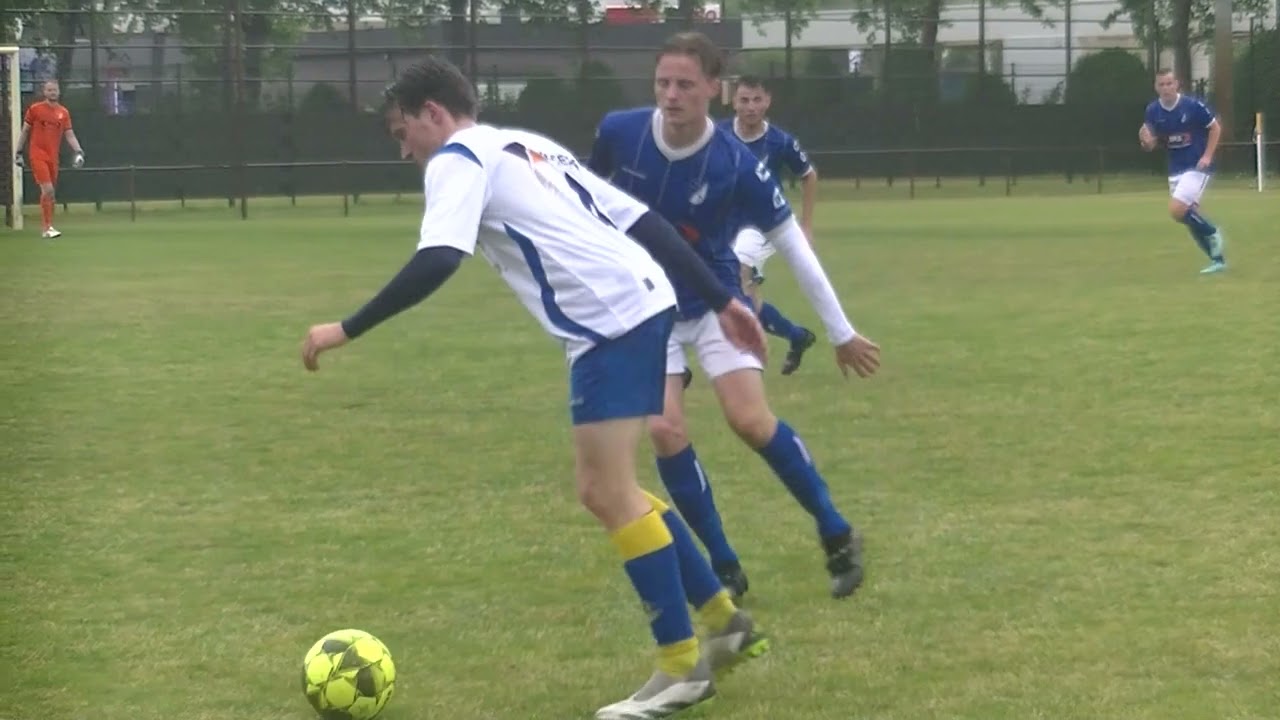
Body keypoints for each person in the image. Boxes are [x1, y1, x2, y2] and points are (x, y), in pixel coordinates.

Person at [299, 57, 768, 720]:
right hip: (638, 303)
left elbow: (439, 256)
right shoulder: (528, 146)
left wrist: (345, 329)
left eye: (403, 130)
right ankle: (725, 621)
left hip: (610, 320)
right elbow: (643, 223)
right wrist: (721, 299)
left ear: (434, 113)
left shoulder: (458, 156)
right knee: (616, 488)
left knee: (605, 490)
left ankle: (680, 668)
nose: (404, 148)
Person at [588, 32, 881, 601]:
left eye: (685, 85)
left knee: (749, 420)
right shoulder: (619, 133)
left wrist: (841, 332)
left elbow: (793, 245)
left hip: (717, 302)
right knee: (664, 428)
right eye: (662, 83)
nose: (671, 96)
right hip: (646, 308)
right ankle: (724, 566)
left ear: (713, 90)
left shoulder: (736, 165)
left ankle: (836, 531)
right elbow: (583, 202)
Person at [719, 75, 819, 376]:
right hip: (725, 225)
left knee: (738, 276)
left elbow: (809, 175)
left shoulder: (780, 141)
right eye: (744, 100)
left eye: (757, 100)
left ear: (768, 101)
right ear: (734, 102)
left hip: (763, 224)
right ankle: (796, 336)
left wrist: (806, 225)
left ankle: (746, 358)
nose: (750, 107)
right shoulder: (718, 134)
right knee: (742, 294)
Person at [1139, 69, 1227, 275]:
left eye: (1170, 83)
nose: (1166, 88)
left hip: (1197, 167)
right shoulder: (1153, 111)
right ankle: (1218, 261)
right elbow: (1150, 144)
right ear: (1156, 87)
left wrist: (1207, 156)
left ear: (1177, 84)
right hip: (1175, 169)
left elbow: (1215, 128)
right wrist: (1146, 142)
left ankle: (1213, 232)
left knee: (1177, 209)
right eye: (1162, 84)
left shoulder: (1192, 106)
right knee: (1188, 217)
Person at [15, 80, 85, 239]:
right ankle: (46, 228)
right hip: (37, 154)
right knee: (48, 189)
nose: (52, 92)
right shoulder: (35, 109)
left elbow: (69, 133)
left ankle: (49, 226)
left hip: (53, 157)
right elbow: (25, 131)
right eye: (49, 90)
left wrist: (78, 150)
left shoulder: (63, 112)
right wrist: (18, 152)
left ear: (58, 92)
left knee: (50, 194)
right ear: (44, 92)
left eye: (55, 90)